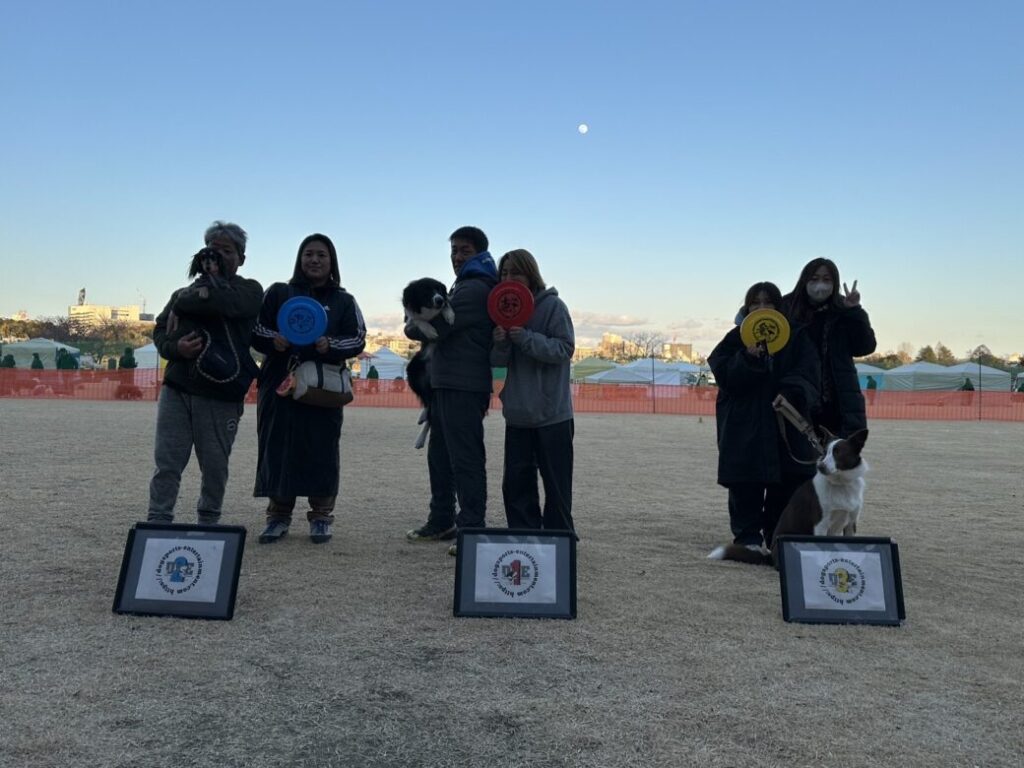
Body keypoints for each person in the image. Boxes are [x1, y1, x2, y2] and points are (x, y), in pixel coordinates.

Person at [251, 234, 366, 545]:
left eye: (321, 255)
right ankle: (277, 516)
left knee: (323, 447)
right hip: (279, 383)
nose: (314, 260)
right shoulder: (278, 292)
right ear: (299, 259)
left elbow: (358, 338)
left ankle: (321, 516)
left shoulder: (344, 300)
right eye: (308, 254)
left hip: (323, 387)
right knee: (278, 445)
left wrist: (331, 344)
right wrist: (273, 339)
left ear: (332, 262)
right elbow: (255, 328)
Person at [148, 221, 263, 525]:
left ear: (241, 258)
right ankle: (158, 519)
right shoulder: (182, 293)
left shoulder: (250, 290)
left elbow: (226, 303)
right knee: (167, 461)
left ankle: (209, 520)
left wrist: (187, 301)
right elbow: (160, 330)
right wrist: (176, 348)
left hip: (222, 390)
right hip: (178, 386)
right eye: (213, 250)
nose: (218, 256)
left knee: (214, 464)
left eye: (227, 251)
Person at [404, 226, 498, 556]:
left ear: (480, 253)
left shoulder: (474, 288)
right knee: (441, 457)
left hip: (463, 384)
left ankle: (471, 528)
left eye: (464, 251)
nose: (457, 257)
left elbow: (436, 328)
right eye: (454, 251)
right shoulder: (464, 285)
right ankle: (442, 519)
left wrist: (411, 325)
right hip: (446, 383)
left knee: (465, 459)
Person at [709, 282, 820, 550]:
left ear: (778, 306)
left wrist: (789, 391)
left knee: (787, 482)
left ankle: (778, 538)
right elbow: (725, 375)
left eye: (768, 302)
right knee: (745, 484)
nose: (761, 308)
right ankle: (747, 539)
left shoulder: (797, 336)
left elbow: (809, 374)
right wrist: (747, 359)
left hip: (785, 424)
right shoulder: (734, 339)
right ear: (746, 308)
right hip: (744, 425)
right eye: (755, 303)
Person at [490, 249, 576, 533]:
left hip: (553, 415)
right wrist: (500, 344)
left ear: (531, 274)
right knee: (516, 486)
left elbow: (564, 349)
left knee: (557, 485)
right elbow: (498, 365)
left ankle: (559, 539)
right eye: (504, 273)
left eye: (515, 272)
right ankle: (522, 536)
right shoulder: (500, 309)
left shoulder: (554, 307)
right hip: (517, 415)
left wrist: (526, 338)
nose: (508, 278)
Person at [783, 258, 876, 437]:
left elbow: (865, 347)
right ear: (804, 280)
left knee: (838, 452)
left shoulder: (843, 308)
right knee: (798, 450)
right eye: (814, 278)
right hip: (798, 398)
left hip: (837, 400)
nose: (821, 285)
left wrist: (854, 311)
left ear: (835, 283)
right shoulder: (787, 307)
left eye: (827, 279)